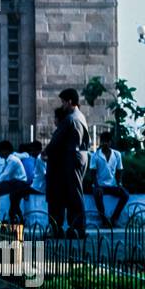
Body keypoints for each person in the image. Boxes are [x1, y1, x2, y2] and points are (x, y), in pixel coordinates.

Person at [45, 88, 90, 238]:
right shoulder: (78, 117)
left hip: (73, 158)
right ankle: (74, 227)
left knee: (74, 194)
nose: (62, 105)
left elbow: (59, 141)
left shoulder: (72, 119)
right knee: (70, 194)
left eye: (63, 102)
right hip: (73, 158)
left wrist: (46, 152)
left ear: (70, 101)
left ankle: (78, 228)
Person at [89, 134, 130, 227]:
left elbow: (120, 170)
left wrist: (119, 183)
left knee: (125, 195)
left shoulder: (117, 154)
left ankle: (114, 219)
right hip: (100, 185)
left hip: (112, 185)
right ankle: (104, 221)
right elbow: (92, 173)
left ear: (110, 142)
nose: (104, 143)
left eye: (107, 141)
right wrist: (96, 186)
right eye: (103, 141)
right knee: (97, 194)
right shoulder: (95, 155)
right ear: (100, 142)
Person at [0, 140, 30, 224]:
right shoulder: (7, 160)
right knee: (14, 205)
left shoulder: (13, 160)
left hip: (19, 184)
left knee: (13, 206)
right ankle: (17, 220)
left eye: (0, 151)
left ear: (6, 151)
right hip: (14, 183)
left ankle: (15, 222)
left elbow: (4, 174)